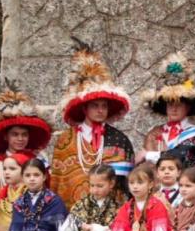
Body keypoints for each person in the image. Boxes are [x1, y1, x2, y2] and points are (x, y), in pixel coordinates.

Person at [51, 43, 135, 207]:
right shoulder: (65, 140)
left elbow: (127, 182)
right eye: (95, 106)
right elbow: (58, 181)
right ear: (84, 108)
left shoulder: (119, 139)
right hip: (72, 212)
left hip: (110, 214)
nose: (100, 110)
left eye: (104, 106)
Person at [0, 85, 53, 204]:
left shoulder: (39, 159)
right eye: (15, 134)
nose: (20, 139)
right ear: (6, 136)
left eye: (24, 134)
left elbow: (48, 189)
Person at [138, 51, 195, 169]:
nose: (174, 108)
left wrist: (148, 155)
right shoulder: (154, 133)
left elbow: (181, 157)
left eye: (179, 104)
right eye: (170, 104)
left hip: (185, 184)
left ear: (188, 107)